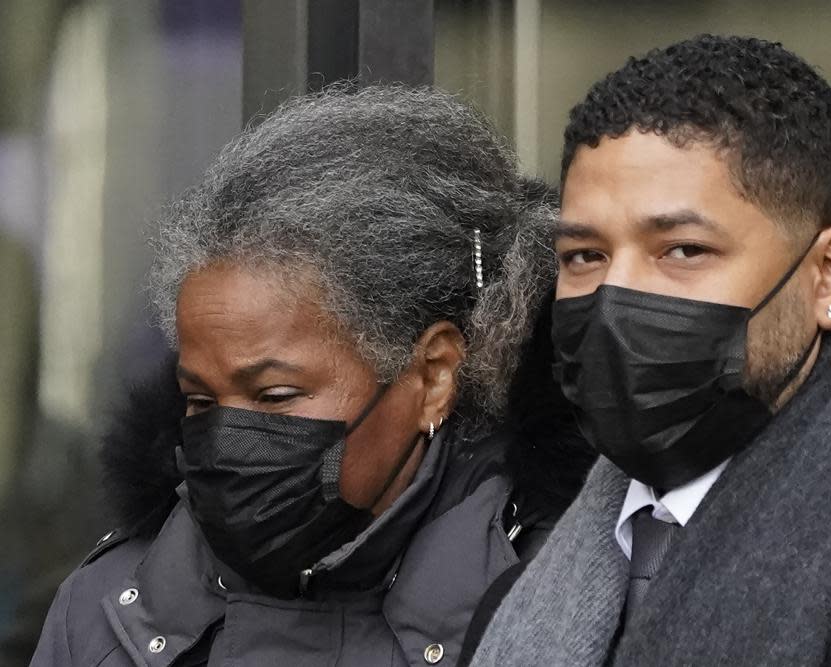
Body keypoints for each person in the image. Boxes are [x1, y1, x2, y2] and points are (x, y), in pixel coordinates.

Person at [470, 34, 831, 666]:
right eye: (585, 256)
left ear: (829, 274)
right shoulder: (513, 604)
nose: (614, 301)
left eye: (684, 250)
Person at [29, 84, 592, 667]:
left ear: (432, 376)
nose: (226, 444)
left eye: (275, 395)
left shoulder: (558, 607)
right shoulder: (106, 612)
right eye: (198, 400)